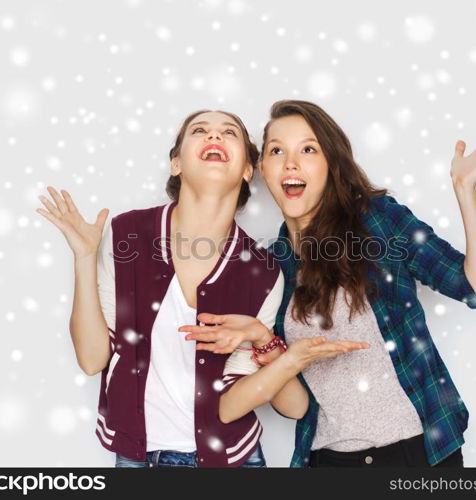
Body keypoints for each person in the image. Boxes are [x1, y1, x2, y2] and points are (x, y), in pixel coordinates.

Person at [184, 100, 476, 467]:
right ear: (263, 167)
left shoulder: (378, 222)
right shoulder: (269, 266)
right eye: (277, 150)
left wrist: (465, 189)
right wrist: (263, 340)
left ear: (331, 163)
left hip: (418, 453)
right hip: (328, 461)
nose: (291, 163)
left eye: (308, 149)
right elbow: (292, 404)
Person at [36, 109, 310, 467]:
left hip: (232, 459)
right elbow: (92, 360)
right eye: (200, 130)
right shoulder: (127, 235)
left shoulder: (263, 271)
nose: (214, 137)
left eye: (229, 133)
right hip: (139, 459)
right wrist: (85, 257)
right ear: (176, 163)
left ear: (247, 170)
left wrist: (270, 347)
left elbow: (237, 399)